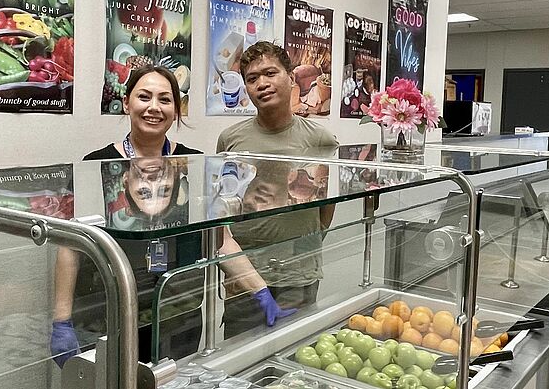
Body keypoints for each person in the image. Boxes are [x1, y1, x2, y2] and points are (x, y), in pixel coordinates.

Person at [51, 66, 204, 367]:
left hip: (177, 312)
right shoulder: (96, 164)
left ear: (176, 108)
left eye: (165, 99)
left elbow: (222, 240)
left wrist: (261, 291)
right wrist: (61, 321)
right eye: (144, 97)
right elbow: (69, 246)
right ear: (126, 102)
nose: (154, 108)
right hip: (110, 314)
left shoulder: (194, 162)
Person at [216, 41, 338, 337]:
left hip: (299, 274)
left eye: (270, 73)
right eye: (252, 78)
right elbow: (223, 207)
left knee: (295, 360)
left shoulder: (320, 139)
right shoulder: (230, 139)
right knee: (239, 361)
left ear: (291, 77)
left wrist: (306, 244)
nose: (262, 84)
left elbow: (325, 206)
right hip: (245, 277)